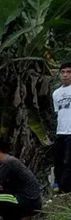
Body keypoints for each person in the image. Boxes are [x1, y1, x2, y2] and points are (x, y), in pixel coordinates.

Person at [53, 61, 71, 193]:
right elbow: (58, 112)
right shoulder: (56, 93)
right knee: (58, 160)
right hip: (60, 131)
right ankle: (58, 185)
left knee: (69, 161)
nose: (65, 75)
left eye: (69, 72)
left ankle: (67, 189)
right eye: (63, 72)